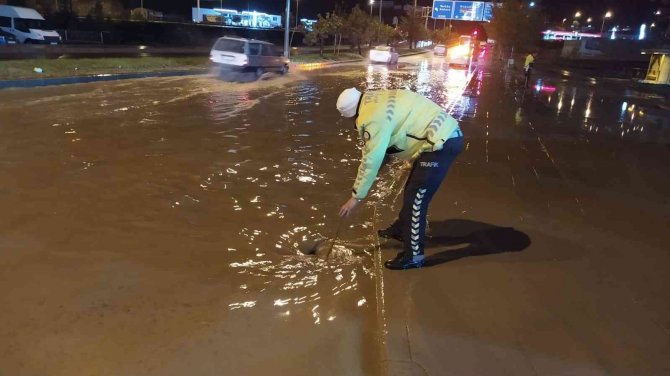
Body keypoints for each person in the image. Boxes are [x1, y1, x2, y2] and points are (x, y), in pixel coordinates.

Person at [335, 88, 464, 270]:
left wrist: (355, 198)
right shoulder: (375, 99)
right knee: (412, 190)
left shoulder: (371, 118)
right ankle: (401, 229)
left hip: (441, 144)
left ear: (350, 115)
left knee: (416, 200)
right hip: (440, 138)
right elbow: (385, 149)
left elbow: (371, 159)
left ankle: (414, 256)